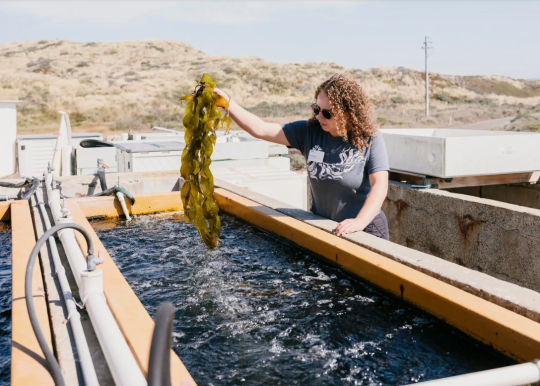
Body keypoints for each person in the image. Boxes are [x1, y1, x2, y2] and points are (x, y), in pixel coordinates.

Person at [213, 73, 390, 240]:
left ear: (348, 113)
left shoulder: (370, 138)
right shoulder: (308, 132)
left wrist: (359, 222)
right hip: (327, 227)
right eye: (317, 109)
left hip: (366, 228)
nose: (320, 116)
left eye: (327, 113)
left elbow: (379, 185)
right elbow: (260, 128)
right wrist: (228, 103)